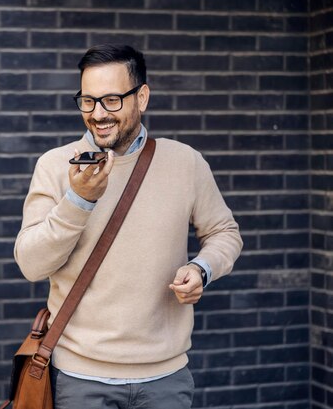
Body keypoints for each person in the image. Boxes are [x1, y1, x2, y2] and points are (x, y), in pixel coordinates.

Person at [13, 44, 243, 409]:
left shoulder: (186, 163)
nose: (98, 114)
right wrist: (79, 200)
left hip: (166, 380)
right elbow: (31, 264)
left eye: (111, 100)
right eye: (87, 101)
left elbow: (224, 233)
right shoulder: (56, 166)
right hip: (79, 381)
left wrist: (203, 268)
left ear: (142, 97)